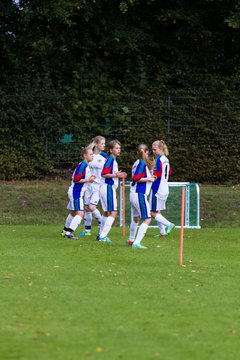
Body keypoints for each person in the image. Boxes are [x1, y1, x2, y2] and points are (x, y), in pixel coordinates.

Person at [61, 147, 96, 239]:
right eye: (90, 154)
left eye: (92, 154)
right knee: (80, 214)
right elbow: (76, 179)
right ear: (85, 155)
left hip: (76, 192)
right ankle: (69, 233)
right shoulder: (83, 165)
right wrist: (89, 179)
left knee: (73, 212)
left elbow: (81, 178)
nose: (92, 156)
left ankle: (64, 231)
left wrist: (90, 178)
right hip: (76, 192)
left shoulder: (85, 165)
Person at [126, 144, 156, 249]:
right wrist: (149, 179)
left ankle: (130, 240)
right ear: (147, 151)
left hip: (133, 194)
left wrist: (149, 177)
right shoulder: (142, 163)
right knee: (147, 218)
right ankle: (137, 242)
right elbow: (136, 178)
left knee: (136, 218)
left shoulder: (137, 162)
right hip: (139, 194)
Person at [98, 140, 127, 243]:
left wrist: (117, 174)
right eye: (116, 148)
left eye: (119, 148)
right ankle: (103, 236)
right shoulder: (110, 160)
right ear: (111, 150)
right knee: (113, 213)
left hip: (104, 187)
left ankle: (100, 235)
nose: (119, 150)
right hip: (108, 187)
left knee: (106, 212)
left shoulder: (112, 160)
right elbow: (104, 173)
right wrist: (116, 175)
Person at [78, 136, 107, 237]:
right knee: (86, 208)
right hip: (88, 185)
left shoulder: (103, 157)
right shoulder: (90, 155)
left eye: (104, 144)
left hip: (97, 185)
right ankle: (87, 230)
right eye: (102, 143)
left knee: (91, 207)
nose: (104, 146)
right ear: (96, 144)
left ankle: (101, 223)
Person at [150, 140, 175, 236]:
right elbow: (170, 172)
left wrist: (149, 177)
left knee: (152, 212)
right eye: (152, 149)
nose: (153, 151)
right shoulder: (166, 159)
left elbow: (157, 174)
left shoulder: (158, 160)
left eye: (155, 149)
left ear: (161, 148)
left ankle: (169, 224)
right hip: (165, 188)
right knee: (158, 211)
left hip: (157, 188)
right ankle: (162, 233)